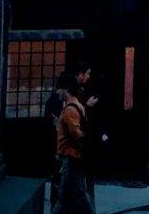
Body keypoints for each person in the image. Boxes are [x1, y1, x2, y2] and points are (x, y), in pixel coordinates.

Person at [52, 72, 95, 214]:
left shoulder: (70, 109)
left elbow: (76, 133)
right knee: (73, 195)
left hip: (71, 158)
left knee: (70, 195)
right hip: (74, 157)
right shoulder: (77, 105)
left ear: (65, 89)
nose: (57, 91)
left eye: (59, 88)